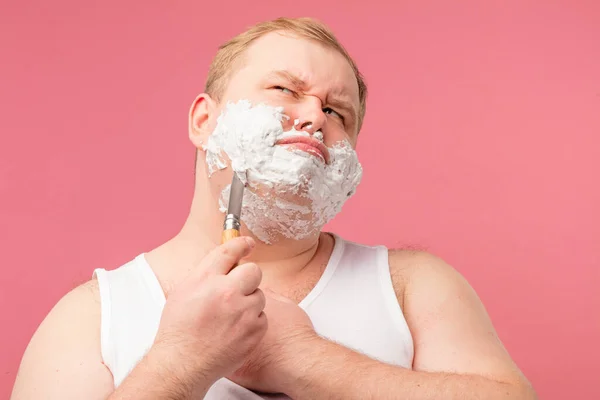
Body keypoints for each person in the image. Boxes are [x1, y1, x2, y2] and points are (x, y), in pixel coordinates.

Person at [11, 17, 537, 400]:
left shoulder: (412, 287)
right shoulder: (95, 314)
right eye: (286, 89)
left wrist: (301, 362)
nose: (314, 117)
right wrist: (179, 365)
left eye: (338, 111)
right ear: (203, 121)